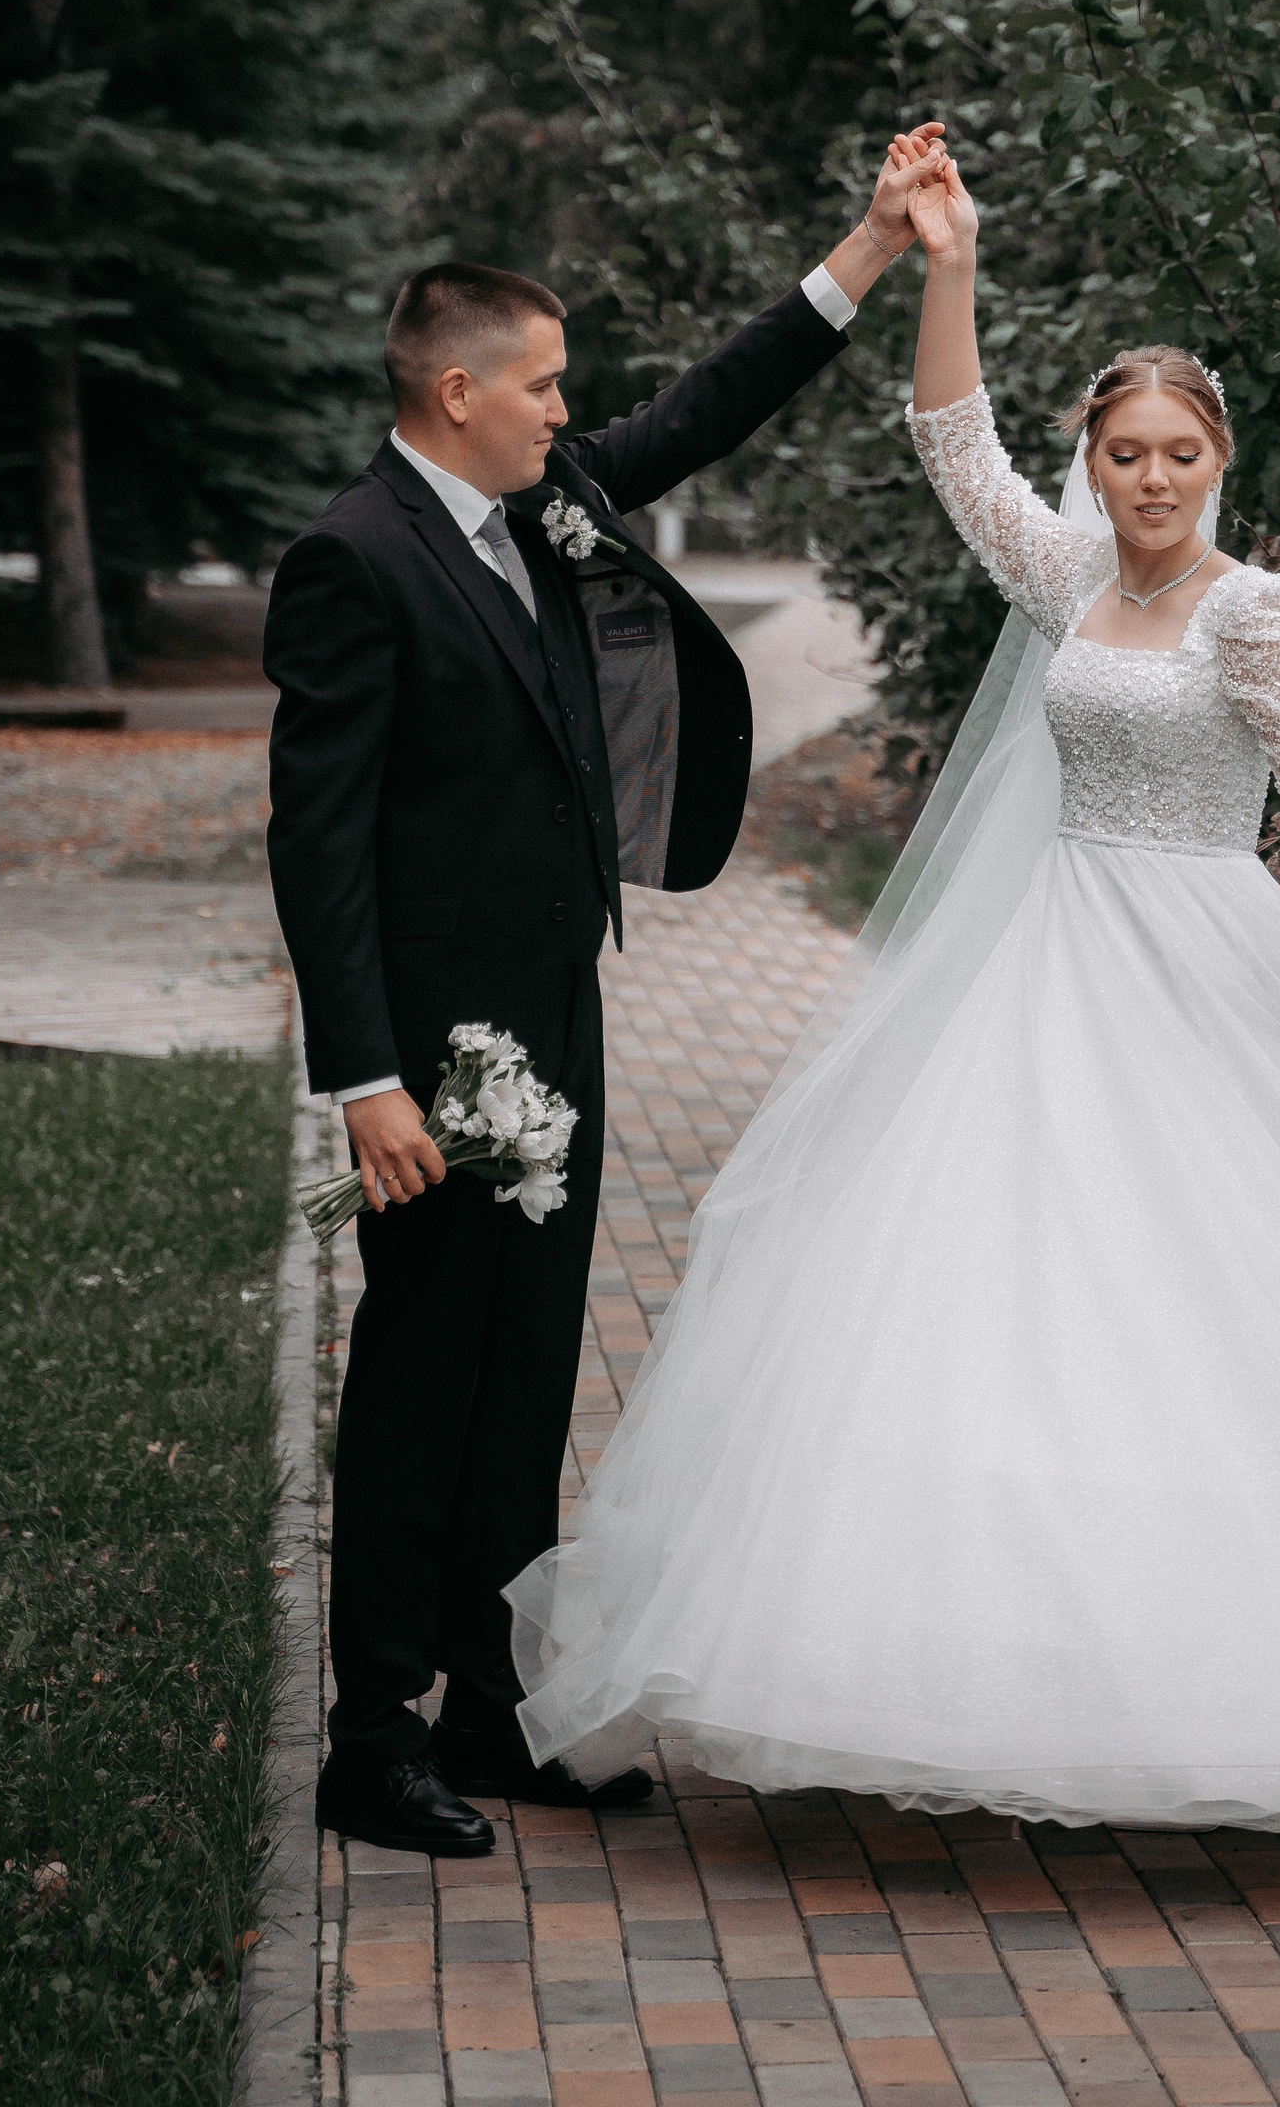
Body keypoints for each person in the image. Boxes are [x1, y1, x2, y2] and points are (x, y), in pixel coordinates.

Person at [503, 140, 1280, 1835]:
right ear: (1096, 464)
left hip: (1205, 967)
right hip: (1054, 960)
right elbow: (952, 441)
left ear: (1221, 462)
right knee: (1004, 1282)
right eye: (1124, 454)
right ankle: (979, 1651)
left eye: (1179, 456)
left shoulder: (1257, 613)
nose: (1150, 481)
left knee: (1217, 1289)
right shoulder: (1065, 579)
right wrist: (947, 261)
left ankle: (1251, 1664)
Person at [264, 127, 942, 1859]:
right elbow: (316, 848)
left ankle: (493, 1713)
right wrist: (366, 1079)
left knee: (528, 1370)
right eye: (546, 384)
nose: (569, 410)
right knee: (419, 1380)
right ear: (460, 391)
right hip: (432, 1060)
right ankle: (371, 1740)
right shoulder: (356, 559)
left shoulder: (540, 503)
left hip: (556, 1020)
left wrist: (868, 249)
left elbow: (700, 412)